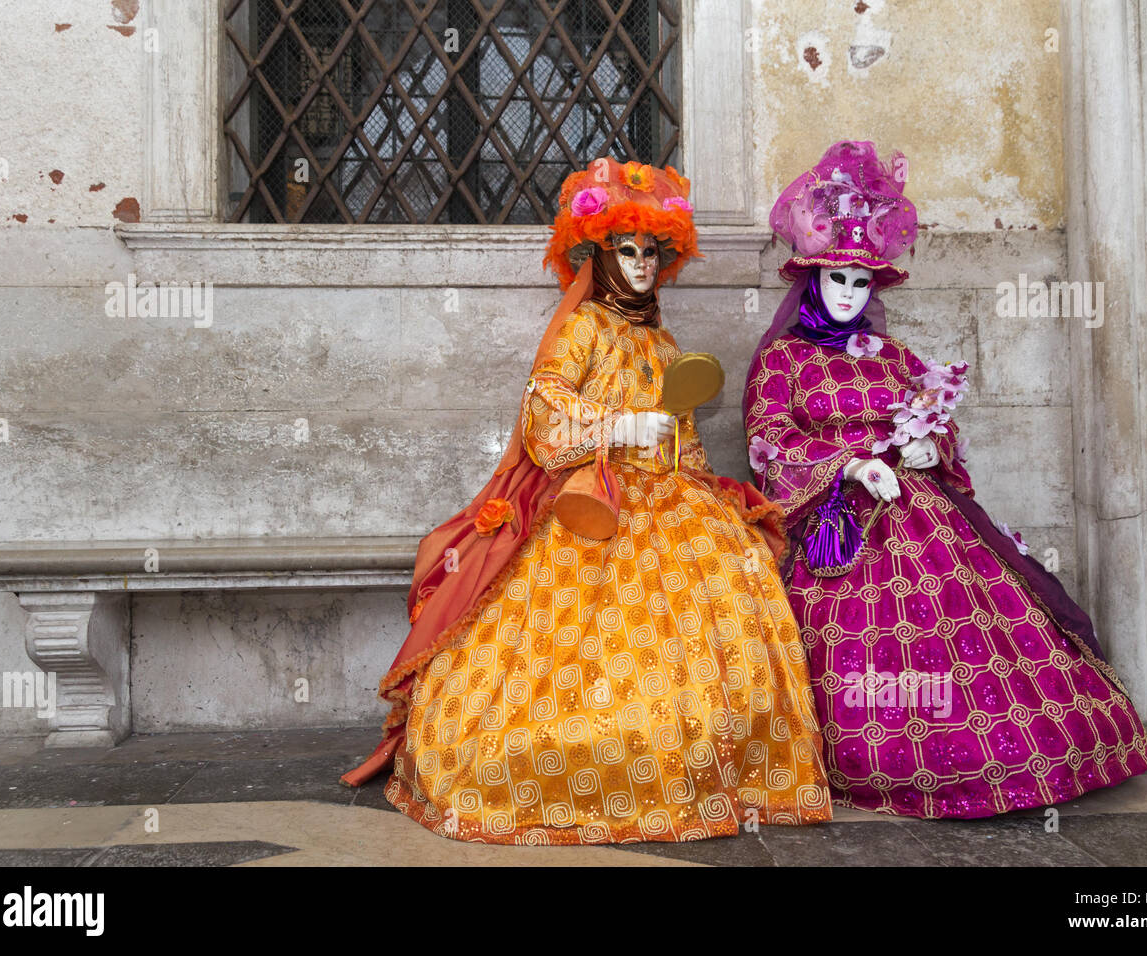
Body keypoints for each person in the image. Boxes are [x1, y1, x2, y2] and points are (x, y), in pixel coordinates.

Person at [343, 158, 831, 844]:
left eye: (651, 252)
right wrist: (617, 427)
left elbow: (683, 439)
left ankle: (705, 769)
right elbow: (544, 415)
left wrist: (685, 468)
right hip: (591, 500)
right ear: (598, 256)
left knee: (727, 586)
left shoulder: (661, 340)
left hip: (667, 504)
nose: (639, 264)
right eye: (625, 251)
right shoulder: (584, 329)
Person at [742, 141, 1147, 818]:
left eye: (861, 283)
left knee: (982, 634)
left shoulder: (894, 356)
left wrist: (931, 446)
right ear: (812, 281)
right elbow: (767, 442)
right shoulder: (784, 360)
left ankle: (1025, 749)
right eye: (837, 280)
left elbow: (933, 424)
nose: (850, 294)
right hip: (835, 526)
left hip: (924, 514)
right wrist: (848, 465)